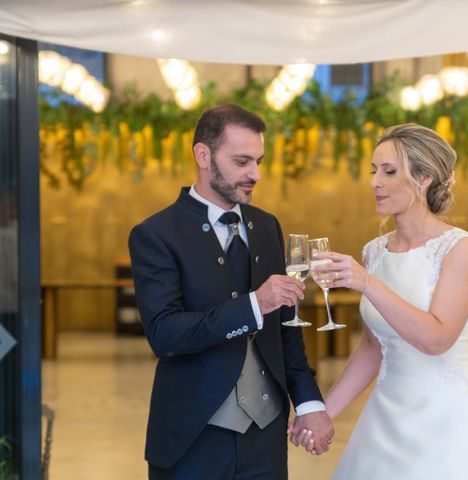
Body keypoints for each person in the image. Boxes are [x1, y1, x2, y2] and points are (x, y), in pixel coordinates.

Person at [306, 124, 468, 479]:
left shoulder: (459, 248)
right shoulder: (374, 252)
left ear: (424, 178)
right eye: (373, 171)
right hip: (385, 422)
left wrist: (366, 282)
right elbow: (373, 346)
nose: (374, 182)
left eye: (388, 172)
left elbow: (436, 338)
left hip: (449, 420)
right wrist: (324, 413)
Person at [129, 104, 333, 480]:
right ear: (203, 156)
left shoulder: (267, 226)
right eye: (242, 161)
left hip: (266, 436)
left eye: (258, 160)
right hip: (192, 438)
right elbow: (164, 335)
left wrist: (308, 401)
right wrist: (256, 304)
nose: (254, 174)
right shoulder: (156, 234)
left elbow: (287, 326)